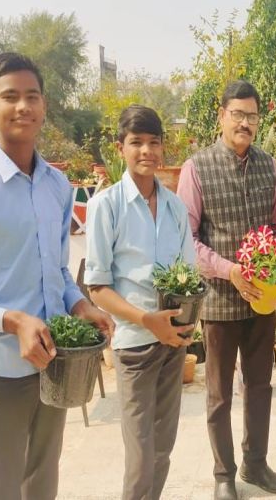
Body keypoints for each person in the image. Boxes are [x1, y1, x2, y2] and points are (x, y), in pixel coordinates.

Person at [0, 52, 113, 500]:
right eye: (9, 96)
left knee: (42, 481)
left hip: (56, 364)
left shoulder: (56, 186)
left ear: (44, 106)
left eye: (32, 96)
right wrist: (14, 320)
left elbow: (58, 273)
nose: (23, 107)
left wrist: (82, 304)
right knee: (4, 488)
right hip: (1, 371)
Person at [177, 80, 276, 500]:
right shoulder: (197, 167)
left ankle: (255, 464)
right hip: (220, 300)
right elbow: (186, 238)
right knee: (220, 394)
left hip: (263, 300)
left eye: (252, 116)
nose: (245, 122)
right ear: (221, 115)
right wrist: (230, 270)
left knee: (260, 387)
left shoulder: (268, 165)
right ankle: (224, 474)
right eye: (237, 114)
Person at [85, 105, 195, 500]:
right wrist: (147, 320)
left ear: (163, 148)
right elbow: (97, 287)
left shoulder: (174, 207)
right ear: (121, 148)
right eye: (137, 143)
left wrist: (182, 324)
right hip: (134, 344)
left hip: (172, 344)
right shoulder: (106, 206)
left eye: (153, 142)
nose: (146, 150)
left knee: (163, 447)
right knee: (140, 454)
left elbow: (189, 275)